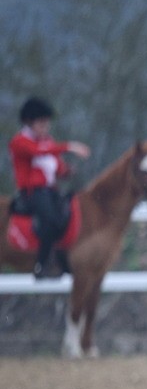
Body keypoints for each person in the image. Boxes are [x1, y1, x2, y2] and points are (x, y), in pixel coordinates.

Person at [8, 97, 90, 278]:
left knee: (67, 216)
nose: (45, 128)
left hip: (49, 190)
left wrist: (67, 171)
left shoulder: (48, 142)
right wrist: (68, 146)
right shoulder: (20, 142)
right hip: (33, 192)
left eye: (47, 124)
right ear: (30, 123)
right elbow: (38, 153)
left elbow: (55, 165)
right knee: (51, 220)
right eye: (41, 123)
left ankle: (62, 262)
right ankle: (41, 264)